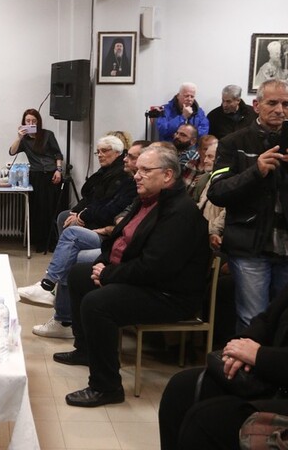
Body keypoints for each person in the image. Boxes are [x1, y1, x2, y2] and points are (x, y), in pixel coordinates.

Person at [54, 146, 210, 407]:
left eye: (145, 170)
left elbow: (155, 267)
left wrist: (109, 274)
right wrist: (103, 263)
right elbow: (117, 241)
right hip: (142, 279)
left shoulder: (179, 212)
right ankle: (85, 351)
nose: (137, 175)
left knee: (97, 303)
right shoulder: (147, 200)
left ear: (167, 175)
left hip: (168, 294)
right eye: (137, 170)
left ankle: (106, 387)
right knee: (80, 274)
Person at [22, 140, 149, 338]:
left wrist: (97, 223)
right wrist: (80, 213)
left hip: (115, 239)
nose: (126, 159)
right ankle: (60, 308)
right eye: (98, 151)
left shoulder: (132, 182)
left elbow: (116, 214)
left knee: (74, 245)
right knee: (66, 219)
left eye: (131, 156)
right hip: (110, 233)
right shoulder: (119, 176)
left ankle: (52, 293)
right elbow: (94, 197)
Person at [158, 285, 288, 449]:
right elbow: (267, 318)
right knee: (182, 388)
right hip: (274, 374)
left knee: (206, 421)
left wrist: (259, 355)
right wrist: (242, 345)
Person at [207, 78, 288, 332]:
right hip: (250, 247)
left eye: (286, 104)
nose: (280, 110)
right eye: (272, 103)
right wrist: (256, 171)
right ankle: (245, 359)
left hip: (286, 248)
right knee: (251, 320)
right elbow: (217, 191)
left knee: (283, 323)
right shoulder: (233, 142)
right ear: (256, 105)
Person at [8, 108, 64, 253]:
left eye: (33, 120)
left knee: (51, 209)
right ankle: (39, 241)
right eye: (28, 121)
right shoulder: (25, 140)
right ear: (24, 122)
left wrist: (59, 170)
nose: (31, 123)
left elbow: (58, 154)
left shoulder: (47, 135)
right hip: (36, 176)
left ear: (38, 121)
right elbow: (12, 152)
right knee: (38, 209)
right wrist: (19, 137)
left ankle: (52, 241)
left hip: (51, 174)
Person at [182, 134, 217, 200]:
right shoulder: (190, 164)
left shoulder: (215, 172)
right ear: (198, 150)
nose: (209, 151)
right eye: (205, 149)